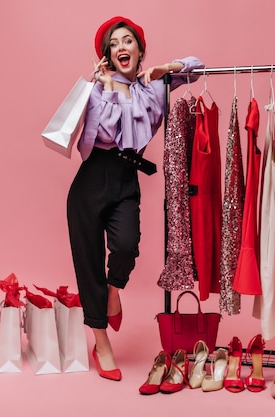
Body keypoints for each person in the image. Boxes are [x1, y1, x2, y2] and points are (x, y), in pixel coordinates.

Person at [66, 16, 204, 381]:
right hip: (90, 182)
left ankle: (115, 292)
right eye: (114, 44)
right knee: (88, 262)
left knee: (126, 245)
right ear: (107, 55)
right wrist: (108, 87)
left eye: (128, 41)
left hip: (127, 180)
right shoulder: (98, 89)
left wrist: (166, 68)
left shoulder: (153, 86)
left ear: (140, 50)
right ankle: (101, 341)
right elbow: (109, 132)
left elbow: (197, 66)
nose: (121, 47)